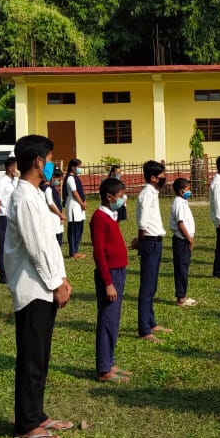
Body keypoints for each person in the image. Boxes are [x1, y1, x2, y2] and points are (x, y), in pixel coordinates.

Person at [4, 135, 74, 438]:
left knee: (41, 354)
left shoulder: (34, 195)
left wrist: (62, 276)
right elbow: (35, 248)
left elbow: (49, 244)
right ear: (37, 162)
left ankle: (37, 413)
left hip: (44, 285)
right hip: (34, 288)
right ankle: (26, 424)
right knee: (32, 356)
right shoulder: (24, 198)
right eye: (48, 160)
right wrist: (55, 281)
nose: (50, 166)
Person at [91, 176, 130, 382]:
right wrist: (108, 283)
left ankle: (109, 362)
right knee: (107, 319)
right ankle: (103, 368)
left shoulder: (111, 215)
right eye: (120, 196)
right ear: (109, 197)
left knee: (114, 320)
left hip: (118, 271)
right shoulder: (99, 217)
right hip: (110, 274)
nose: (123, 199)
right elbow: (99, 252)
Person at [134, 159, 171, 341]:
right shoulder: (147, 194)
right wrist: (141, 241)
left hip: (155, 240)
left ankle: (151, 322)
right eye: (162, 176)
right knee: (147, 287)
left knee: (153, 284)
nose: (165, 179)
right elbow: (143, 222)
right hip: (149, 242)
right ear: (153, 178)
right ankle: (144, 330)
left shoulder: (153, 193)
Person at [170, 177, 198, 307]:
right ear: (181, 191)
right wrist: (190, 239)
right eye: (188, 189)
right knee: (181, 268)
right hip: (182, 241)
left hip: (184, 240)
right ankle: (181, 297)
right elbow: (180, 224)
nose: (190, 191)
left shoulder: (182, 202)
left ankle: (183, 294)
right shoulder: (179, 204)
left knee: (184, 267)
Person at [0, 158, 19, 284]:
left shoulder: (13, 181)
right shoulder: (2, 183)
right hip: (3, 217)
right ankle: (3, 275)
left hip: (11, 217)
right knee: (2, 246)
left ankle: (11, 271)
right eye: (16, 167)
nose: (17, 169)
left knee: (11, 245)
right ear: (10, 168)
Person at [64, 159, 87, 259]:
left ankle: (76, 249)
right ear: (73, 167)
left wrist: (84, 201)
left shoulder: (76, 178)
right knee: (73, 229)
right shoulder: (70, 178)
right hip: (74, 205)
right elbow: (74, 192)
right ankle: (73, 251)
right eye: (79, 167)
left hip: (79, 206)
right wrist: (81, 203)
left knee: (79, 227)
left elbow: (81, 191)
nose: (80, 169)